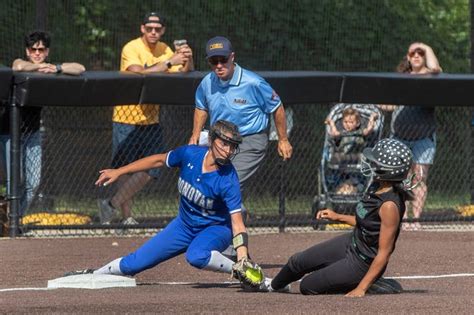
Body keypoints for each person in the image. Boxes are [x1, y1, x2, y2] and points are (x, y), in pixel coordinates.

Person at [66, 120, 258, 281]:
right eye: (224, 143)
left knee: (196, 255)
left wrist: (242, 256)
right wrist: (119, 171)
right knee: (133, 263)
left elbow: (238, 223)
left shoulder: (228, 178)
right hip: (184, 226)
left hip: (216, 228)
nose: (229, 150)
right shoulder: (190, 154)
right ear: (212, 140)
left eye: (233, 146)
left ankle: (240, 270)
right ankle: (95, 274)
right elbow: (158, 160)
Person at [260, 138, 413, 296]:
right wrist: (337, 216)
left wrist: (361, 289)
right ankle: (272, 286)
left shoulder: (389, 206)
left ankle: (368, 282)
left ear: (386, 170)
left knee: (308, 286)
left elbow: (384, 252)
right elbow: (367, 224)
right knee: (297, 261)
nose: (371, 164)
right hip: (352, 243)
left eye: (375, 163)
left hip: (362, 263)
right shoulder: (376, 185)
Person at [98, 12, 194, 225]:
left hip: (151, 118)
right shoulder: (131, 47)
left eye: (157, 29)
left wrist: (187, 57)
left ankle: (110, 204)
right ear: (142, 28)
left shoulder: (165, 49)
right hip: (126, 115)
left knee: (153, 167)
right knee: (124, 168)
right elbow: (138, 72)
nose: (153, 32)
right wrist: (170, 62)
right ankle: (127, 217)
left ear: (163, 31)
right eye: (149, 28)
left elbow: (185, 73)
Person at [189, 36, 293, 220]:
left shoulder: (253, 82)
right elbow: (201, 106)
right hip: (219, 141)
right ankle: (238, 216)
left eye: (223, 59)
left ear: (232, 57)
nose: (219, 65)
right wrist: (195, 135)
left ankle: (232, 234)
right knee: (207, 182)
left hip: (249, 141)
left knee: (226, 183)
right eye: (214, 61)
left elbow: (277, 107)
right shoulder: (207, 82)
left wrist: (283, 139)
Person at [0, 30, 85, 215]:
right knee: (15, 180)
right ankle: (7, 219)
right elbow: (19, 67)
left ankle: (15, 220)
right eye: (33, 49)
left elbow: (80, 68)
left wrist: (56, 68)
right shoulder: (21, 63)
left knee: (33, 183)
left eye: (41, 49)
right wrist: (38, 67)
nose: (37, 53)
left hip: (33, 133)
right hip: (10, 132)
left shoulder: (50, 69)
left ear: (47, 51)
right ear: (27, 51)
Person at [379, 42, 441, 230]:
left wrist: (425, 46)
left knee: (419, 179)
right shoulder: (400, 79)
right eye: (412, 53)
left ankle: (416, 220)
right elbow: (388, 106)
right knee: (400, 179)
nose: (416, 55)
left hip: (424, 138)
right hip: (399, 138)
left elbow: (436, 69)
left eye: (420, 53)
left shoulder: (430, 77)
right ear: (407, 57)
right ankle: (403, 218)